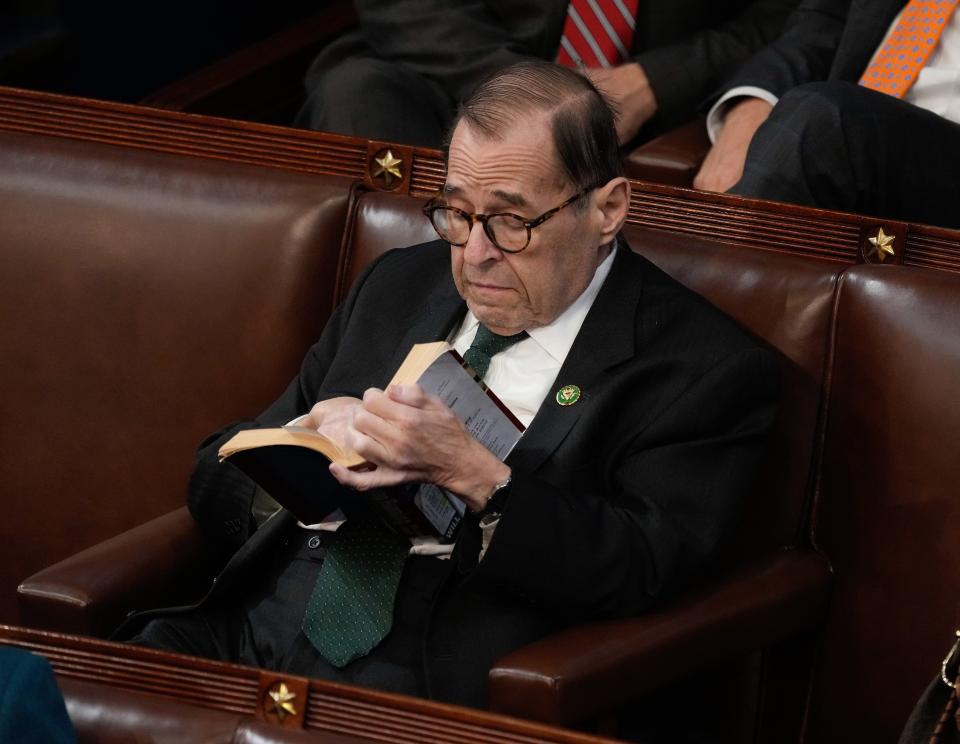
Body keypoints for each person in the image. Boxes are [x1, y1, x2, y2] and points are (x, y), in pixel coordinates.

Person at [123, 61, 779, 710]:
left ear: (607, 209)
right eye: (458, 214)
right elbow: (214, 477)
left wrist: (484, 483)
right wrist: (304, 447)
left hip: (433, 677)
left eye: (511, 222)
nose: (475, 254)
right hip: (248, 629)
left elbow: (640, 567)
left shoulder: (703, 367)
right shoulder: (399, 287)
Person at [295, 0, 798, 148]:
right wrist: (538, 93)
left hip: (637, 108)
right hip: (461, 74)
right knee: (355, 91)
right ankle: (369, 362)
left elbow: (784, 18)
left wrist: (655, 81)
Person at [694, 0, 960, 229]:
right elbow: (818, 27)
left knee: (826, 121)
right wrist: (751, 109)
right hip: (853, 136)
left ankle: (702, 279)